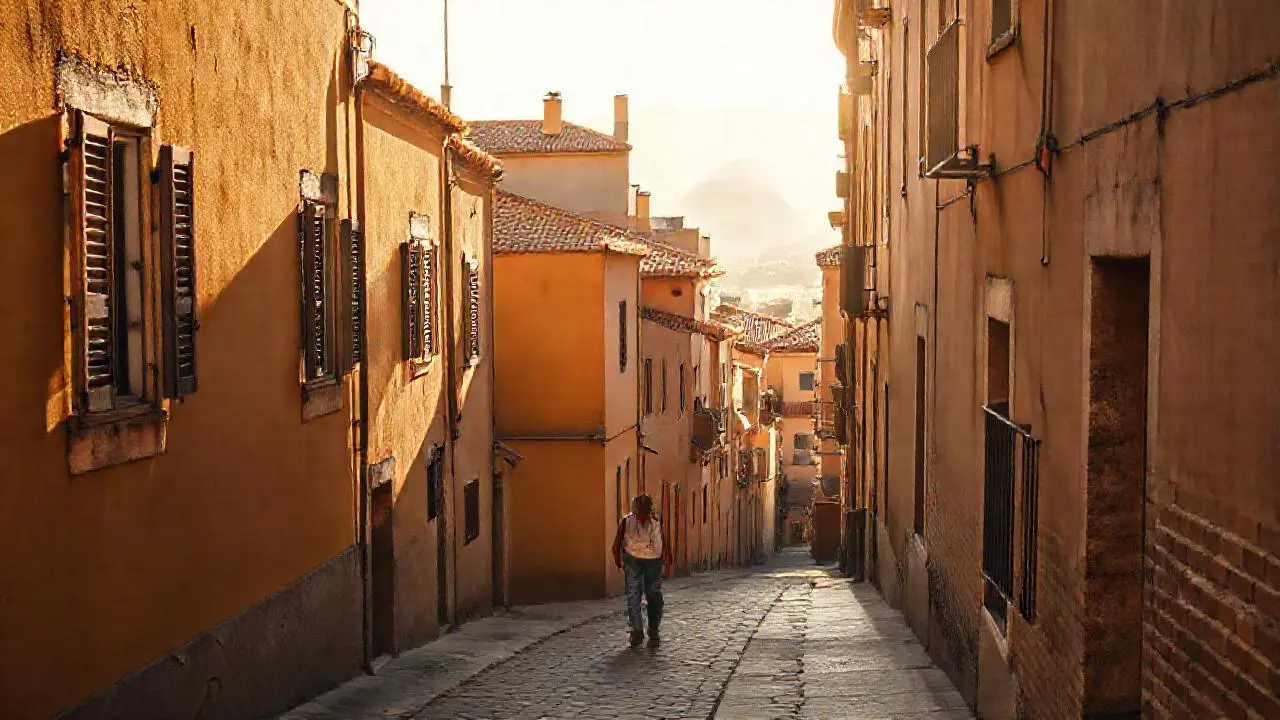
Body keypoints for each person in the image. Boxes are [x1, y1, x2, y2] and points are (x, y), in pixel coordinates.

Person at [612, 494, 673, 648]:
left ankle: (653, 631)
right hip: (632, 558)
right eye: (640, 513)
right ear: (635, 511)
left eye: (645, 514)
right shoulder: (627, 522)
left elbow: (665, 542)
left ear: (649, 512)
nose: (642, 518)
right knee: (633, 594)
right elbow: (617, 541)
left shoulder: (657, 522)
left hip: (654, 559)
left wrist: (668, 563)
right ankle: (637, 630)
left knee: (653, 594)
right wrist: (618, 559)